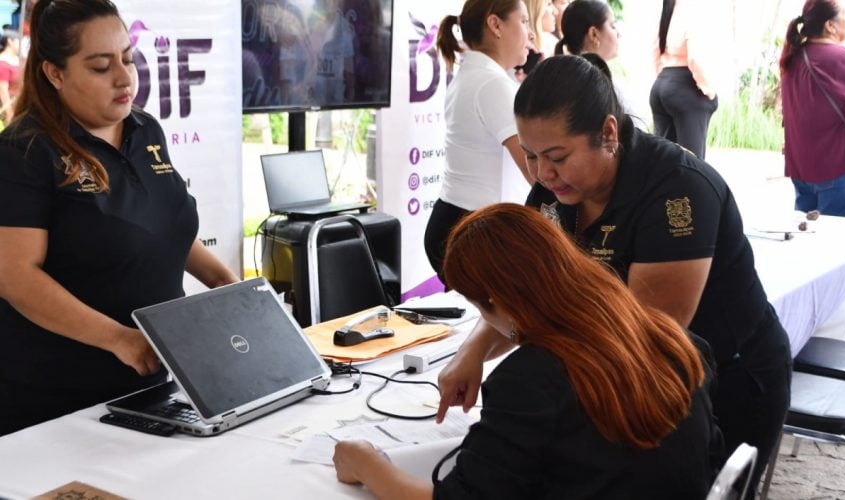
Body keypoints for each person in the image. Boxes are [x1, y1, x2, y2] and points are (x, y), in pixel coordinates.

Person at [439, 55, 792, 498]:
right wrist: (472, 353)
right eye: (530, 156)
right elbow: (523, 292)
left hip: (721, 375)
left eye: (556, 157)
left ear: (608, 134)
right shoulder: (553, 190)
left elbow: (643, 336)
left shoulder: (678, 192)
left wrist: (531, 394)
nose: (542, 174)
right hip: (651, 378)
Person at [334, 203, 722, 498]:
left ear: (499, 302)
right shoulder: (672, 339)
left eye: (481, 309)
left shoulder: (533, 380)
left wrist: (369, 464)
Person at [0, 0, 240, 436]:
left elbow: (163, 228)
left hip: (150, 384)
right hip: (55, 398)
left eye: (128, 58)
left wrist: (231, 289)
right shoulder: (25, 151)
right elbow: (15, 276)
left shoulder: (146, 130)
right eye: (99, 67)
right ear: (55, 73)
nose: (124, 77)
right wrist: (119, 338)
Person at [423, 0, 536, 281]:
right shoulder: (491, 83)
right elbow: (534, 169)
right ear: (495, 24)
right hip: (475, 231)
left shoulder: (477, 75)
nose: (530, 33)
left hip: (460, 223)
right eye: (523, 21)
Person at [779, 0, 845, 216]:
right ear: (830, 25)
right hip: (837, 167)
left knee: (808, 240)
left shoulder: (791, 58)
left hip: (801, 167)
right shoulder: (841, 58)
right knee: (836, 242)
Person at [555, 0, 646, 128]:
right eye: (612, 26)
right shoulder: (598, 84)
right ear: (593, 34)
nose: (618, 33)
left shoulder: (564, 79)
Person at [649, 0, 718, 160]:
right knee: (693, 166)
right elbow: (695, 57)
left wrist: (665, 78)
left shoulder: (668, 7)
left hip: (662, 84)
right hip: (686, 86)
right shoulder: (693, 7)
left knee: (663, 162)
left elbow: (655, 48)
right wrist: (709, 91)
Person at [0, 26, 21, 124]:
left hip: (19, 106)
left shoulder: (17, 60)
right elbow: (3, 91)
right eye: (18, 41)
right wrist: (9, 114)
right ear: (10, 41)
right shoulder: (3, 63)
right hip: (10, 109)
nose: (20, 44)